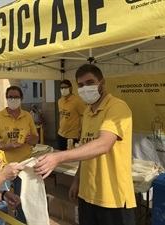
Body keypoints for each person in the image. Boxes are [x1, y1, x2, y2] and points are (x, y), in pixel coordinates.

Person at [34, 64, 136, 225]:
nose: (85, 88)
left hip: (112, 197)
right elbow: (86, 148)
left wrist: (58, 157)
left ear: (102, 83)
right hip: (87, 194)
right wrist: (76, 181)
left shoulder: (117, 107)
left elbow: (103, 145)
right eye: (80, 85)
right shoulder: (87, 112)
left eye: (90, 83)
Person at [0, 85, 39, 224]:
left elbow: (35, 139)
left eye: (16, 97)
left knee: (23, 197)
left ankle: (21, 221)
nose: (13, 99)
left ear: (21, 98)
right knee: (2, 201)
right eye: (10, 97)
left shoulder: (27, 116)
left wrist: (29, 139)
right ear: (6, 98)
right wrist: (7, 146)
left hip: (24, 164)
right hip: (4, 165)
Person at [57, 79, 85, 150]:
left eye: (65, 87)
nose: (63, 89)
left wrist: (82, 131)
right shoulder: (60, 101)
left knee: (72, 159)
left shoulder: (77, 101)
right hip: (61, 134)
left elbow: (84, 115)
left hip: (72, 136)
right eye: (61, 88)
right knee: (60, 156)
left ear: (71, 88)